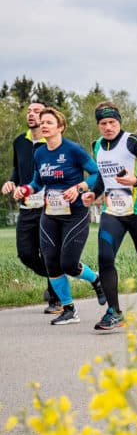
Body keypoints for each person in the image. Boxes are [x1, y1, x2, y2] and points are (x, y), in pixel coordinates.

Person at [81, 102, 137, 330]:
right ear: (98, 125)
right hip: (113, 212)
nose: (108, 127)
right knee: (105, 258)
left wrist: (136, 180)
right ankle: (114, 312)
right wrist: (94, 193)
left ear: (119, 121)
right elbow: (103, 177)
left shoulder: (133, 141)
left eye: (112, 122)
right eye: (103, 123)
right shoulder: (97, 145)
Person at [12, 107, 105, 325]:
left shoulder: (73, 150)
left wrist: (79, 187)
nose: (44, 125)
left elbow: (95, 174)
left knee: (69, 264)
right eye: (42, 122)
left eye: (49, 122)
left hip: (75, 214)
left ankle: (97, 279)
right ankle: (69, 309)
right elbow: (38, 182)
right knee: (52, 263)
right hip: (50, 214)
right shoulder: (39, 153)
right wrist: (25, 189)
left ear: (60, 127)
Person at [2, 101, 61, 313]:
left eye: (36, 111)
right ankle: (56, 278)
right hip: (27, 206)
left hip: (50, 206)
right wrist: (11, 181)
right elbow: (18, 170)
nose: (31, 114)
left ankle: (56, 297)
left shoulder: (53, 143)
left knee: (48, 252)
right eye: (28, 111)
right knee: (25, 253)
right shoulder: (20, 141)